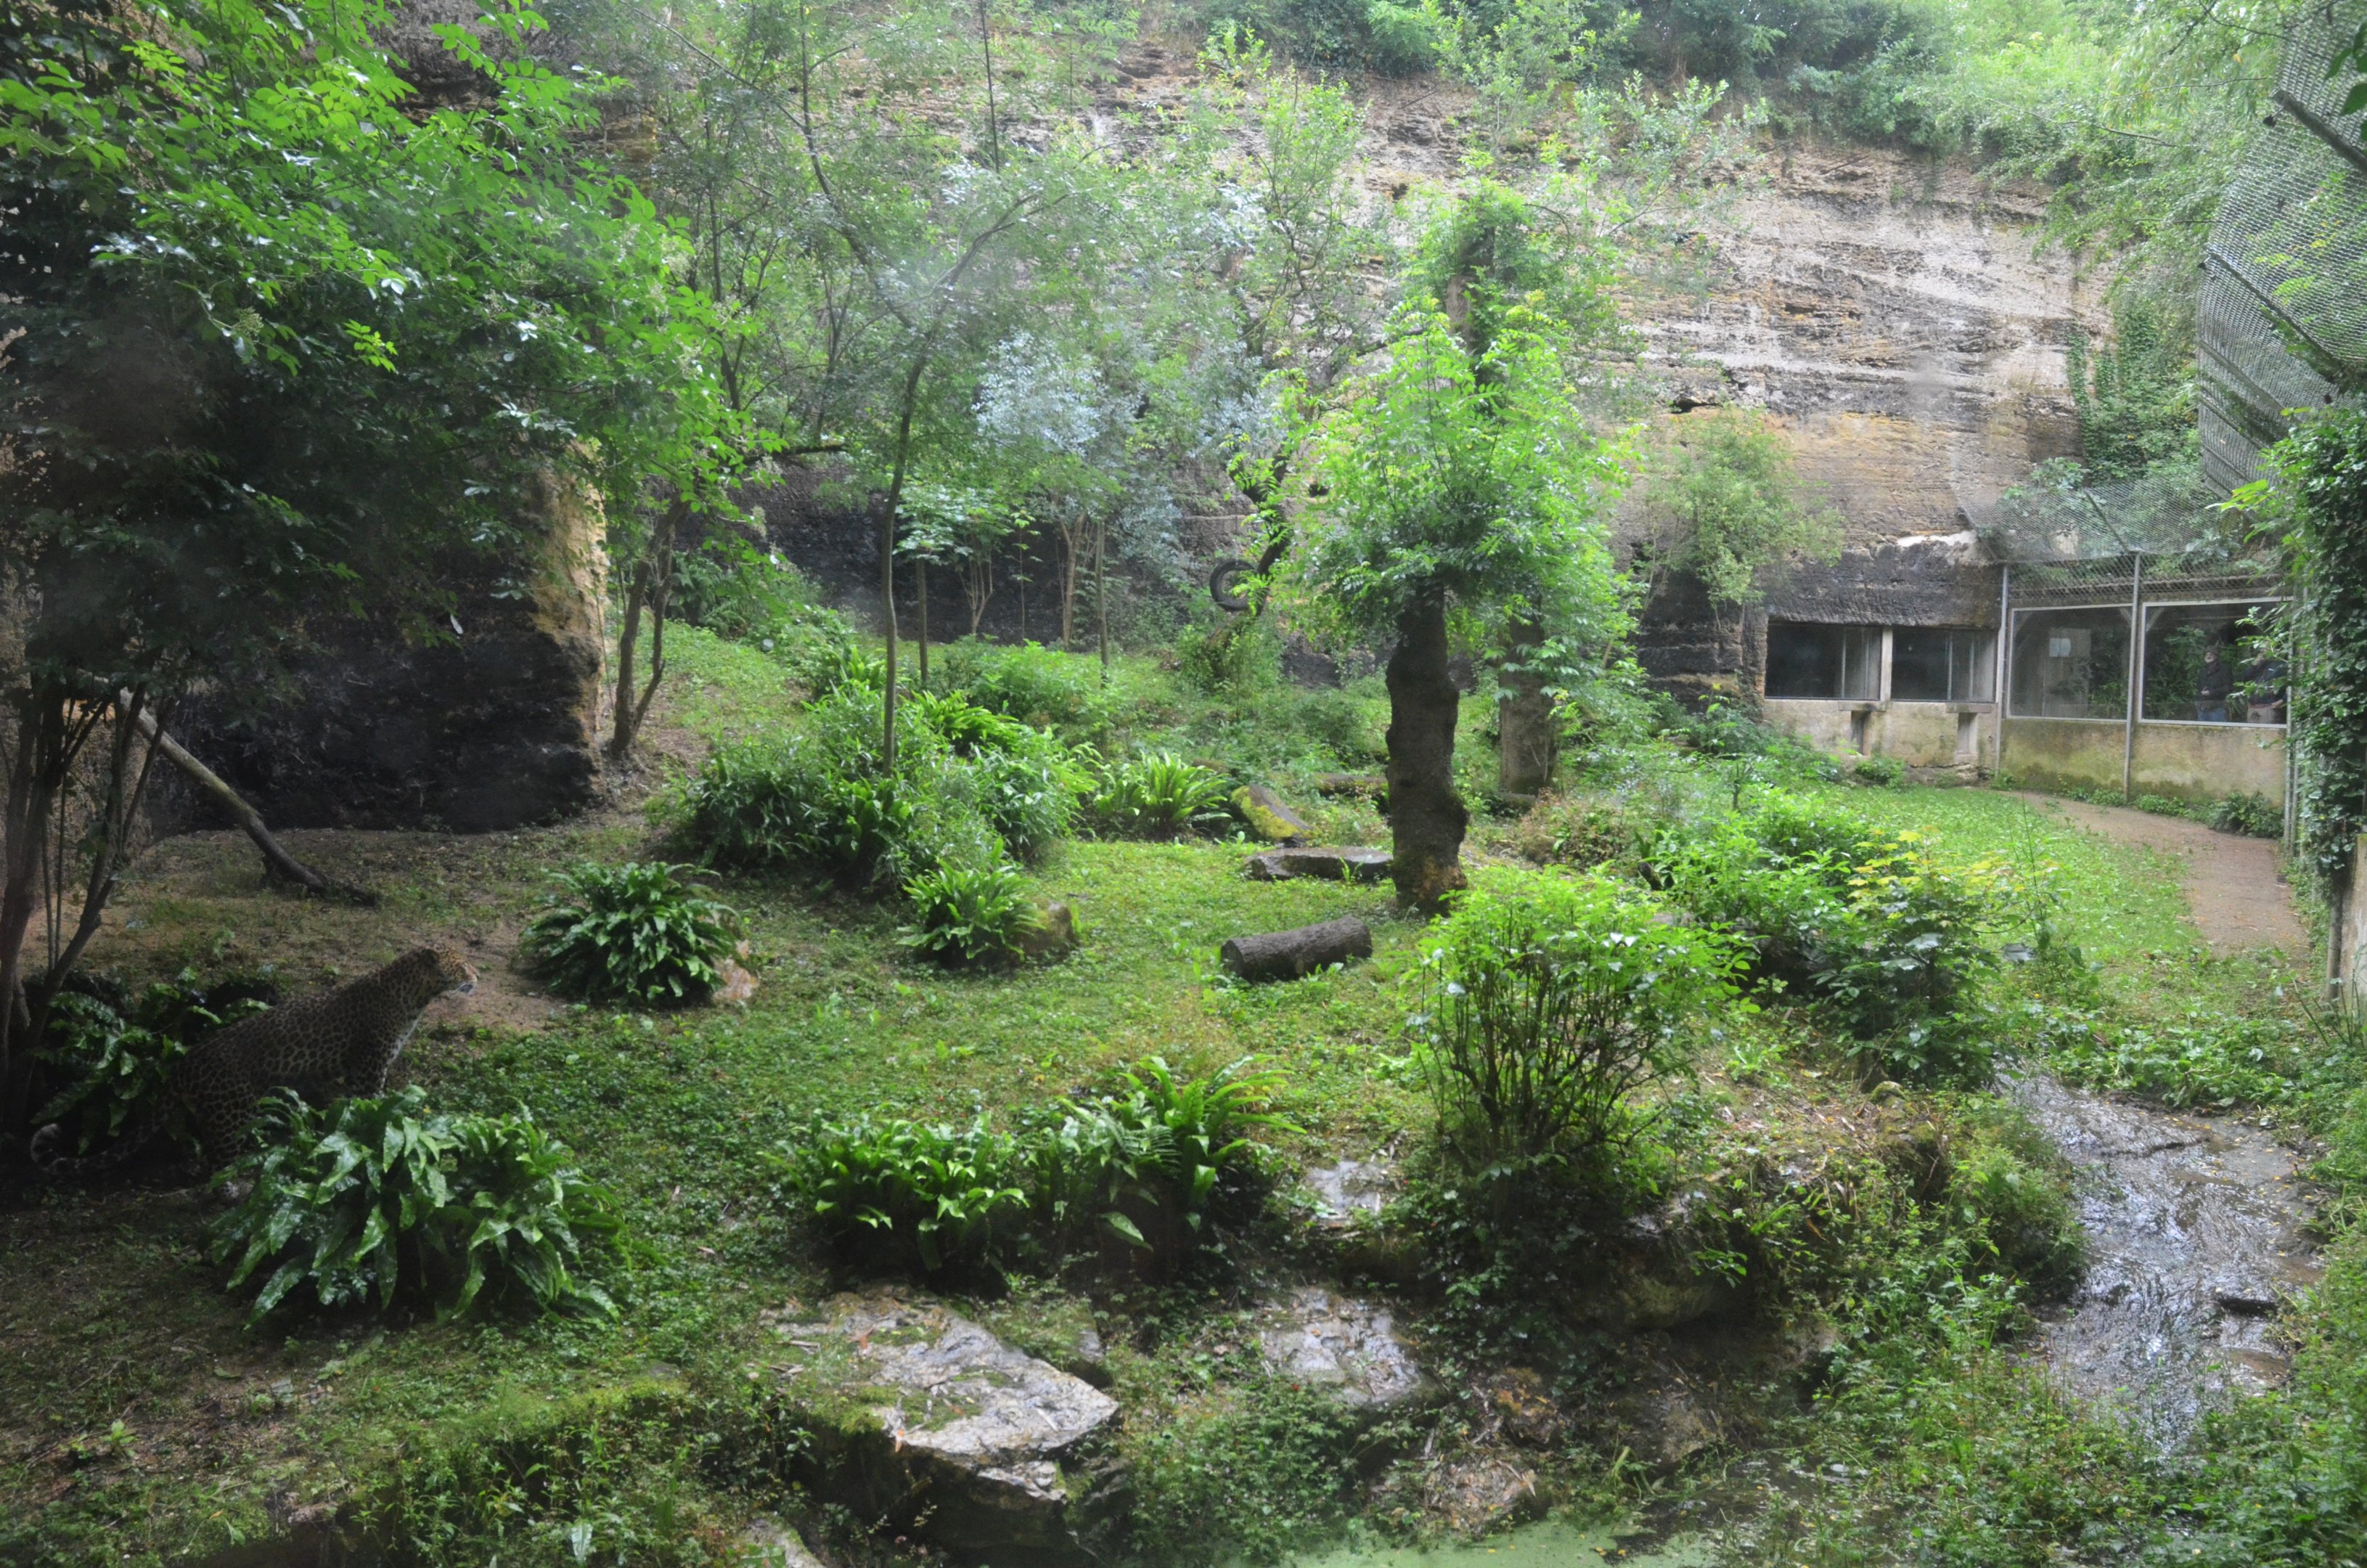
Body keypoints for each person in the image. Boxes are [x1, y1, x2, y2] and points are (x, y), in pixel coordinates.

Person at [2196, 642, 2233, 723]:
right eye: (2206, 655)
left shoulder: (2224, 669)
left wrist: (2211, 693)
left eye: (2211, 654)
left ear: (2216, 656)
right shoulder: (2203, 670)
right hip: (2203, 708)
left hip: (2217, 708)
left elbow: (2228, 687)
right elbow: (2199, 688)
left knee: (2220, 732)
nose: (2208, 656)